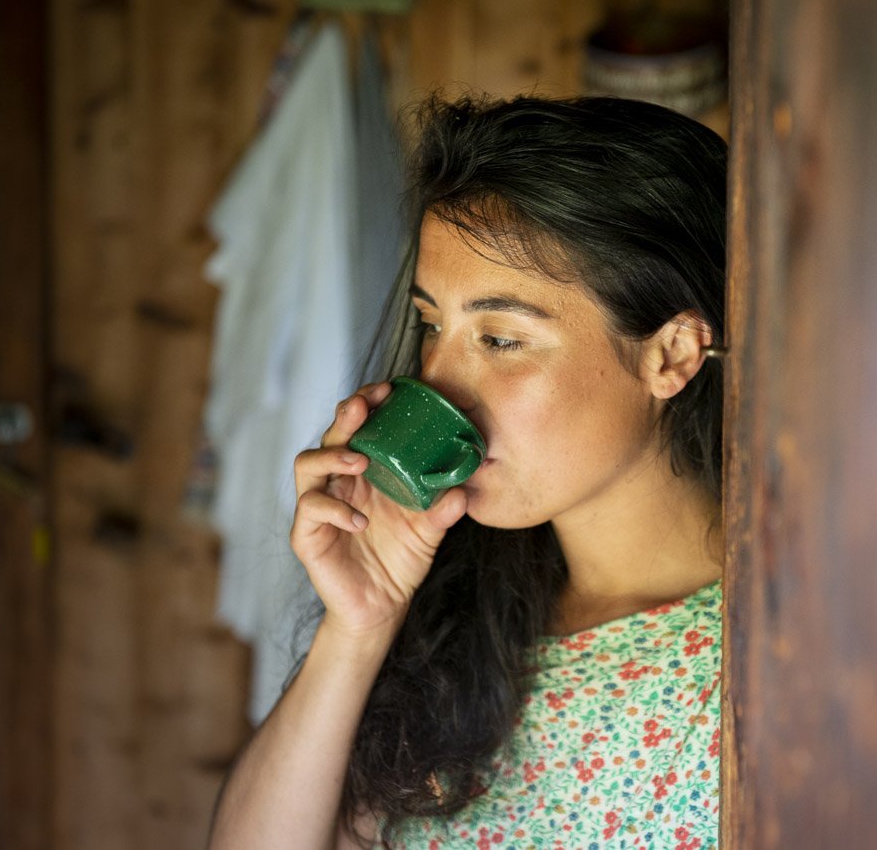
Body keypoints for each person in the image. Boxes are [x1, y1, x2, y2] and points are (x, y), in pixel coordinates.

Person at [208, 93, 727, 849]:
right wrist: (358, 631)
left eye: (502, 338)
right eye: (430, 326)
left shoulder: (770, 651)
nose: (437, 387)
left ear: (671, 355)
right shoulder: (453, 616)